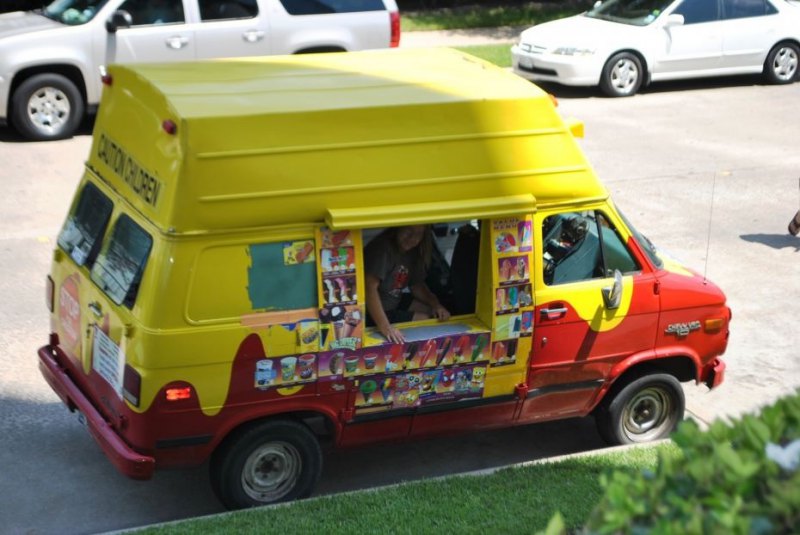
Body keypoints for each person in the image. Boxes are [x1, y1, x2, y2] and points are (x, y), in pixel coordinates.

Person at [364, 225, 450, 343]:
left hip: (394, 299)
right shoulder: (383, 250)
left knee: (433, 312)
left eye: (419, 235)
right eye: (409, 231)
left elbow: (417, 286)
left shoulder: (413, 252)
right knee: (425, 320)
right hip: (374, 311)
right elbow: (369, 288)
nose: (413, 239)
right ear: (397, 228)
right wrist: (386, 327)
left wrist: (436, 305)